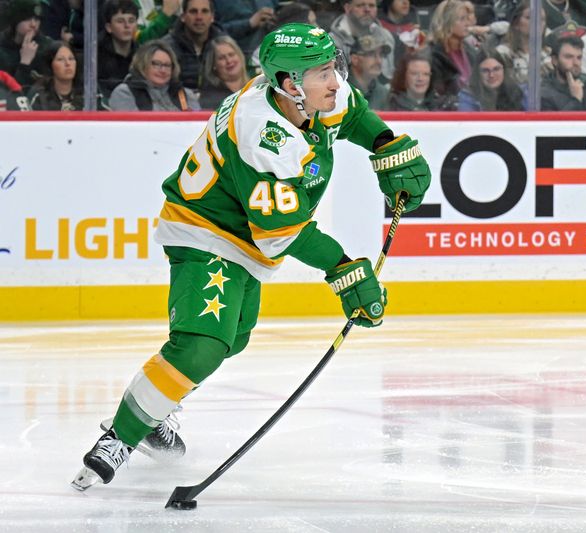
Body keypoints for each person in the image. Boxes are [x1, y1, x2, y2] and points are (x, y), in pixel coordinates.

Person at [72, 22, 431, 490]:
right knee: (203, 343)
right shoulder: (263, 133)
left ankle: (157, 407)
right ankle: (120, 437)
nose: (336, 81)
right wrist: (344, 269)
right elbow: (282, 230)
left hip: (246, 238)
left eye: (333, 67)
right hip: (205, 231)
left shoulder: (307, 94)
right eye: (324, 71)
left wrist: (385, 146)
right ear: (289, 84)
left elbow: (354, 114)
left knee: (233, 337)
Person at [108, 39, 200, 110]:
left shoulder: (185, 95)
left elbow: (198, 128)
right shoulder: (125, 93)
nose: (163, 70)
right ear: (142, 64)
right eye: (156, 64)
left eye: (167, 65)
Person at [162, 0, 227, 90]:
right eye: (193, 11)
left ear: (212, 17)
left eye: (204, 11)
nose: (199, 17)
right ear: (183, 17)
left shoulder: (224, 44)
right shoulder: (167, 47)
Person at [330, 0, 396, 82]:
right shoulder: (332, 42)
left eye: (371, 5)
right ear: (347, 8)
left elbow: (389, 76)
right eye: (360, 5)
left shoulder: (386, 37)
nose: (367, 10)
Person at [428, 0, 480, 104]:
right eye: (461, 19)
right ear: (447, 22)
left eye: (467, 19)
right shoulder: (433, 54)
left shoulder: (470, 50)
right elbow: (436, 95)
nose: (467, 23)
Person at [0, 0, 55, 91]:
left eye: (37, 19)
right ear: (15, 21)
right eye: (27, 19)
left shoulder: (47, 46)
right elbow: (9, 94)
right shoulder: (2, 48)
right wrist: (25, 62)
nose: (33, 24)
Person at [458, 49, 526, 110]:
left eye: (496, 69)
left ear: (504, 70)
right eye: (485, 71)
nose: (491, 75)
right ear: (477, 74)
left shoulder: (519, 91)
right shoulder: (468, 96)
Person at [98, 0, 139, 98]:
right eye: (120, 21)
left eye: (131, 21)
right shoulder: (95, 56)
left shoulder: (142, 55)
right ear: (109, 27)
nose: (127, 26)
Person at [27, 40, 83, 110]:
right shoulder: (38, 95)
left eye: (71, 59)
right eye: (60, 59)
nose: (68, 63)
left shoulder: (88, 92)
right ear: (50, 65)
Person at [198, 35, 248, 109]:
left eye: (231, 55)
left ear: (240, 56)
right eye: (221, 58)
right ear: (214, 65)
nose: (229, 61)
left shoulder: (257, 85)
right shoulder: (209, 98)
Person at [348, 33, 391, 109]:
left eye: (381, 54)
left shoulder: (383, 93)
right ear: (355, 59)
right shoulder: (341, 89)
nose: (379, 61)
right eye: (371, 54)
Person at [496, 3, 532, 86]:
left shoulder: (549, 53)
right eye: (529, 18)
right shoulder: (502, 52)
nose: (536, 22)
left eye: (541, 19)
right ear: (516, 23)